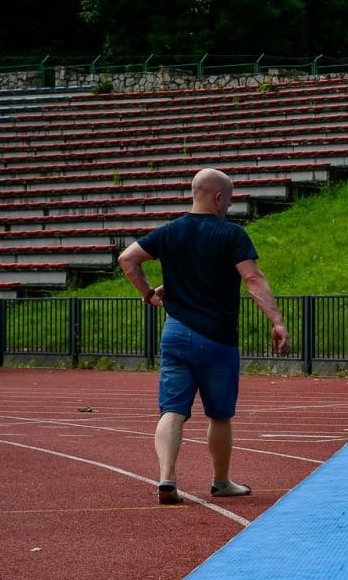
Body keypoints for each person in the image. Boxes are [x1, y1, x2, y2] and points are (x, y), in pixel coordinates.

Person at [118, 168, 290, 503]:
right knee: (219, 414)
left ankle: (167, 478)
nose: (230, 203)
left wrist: (148, 293)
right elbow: (253, 280)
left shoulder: (169, 232)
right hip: (217, 339)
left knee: (172, 409)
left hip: (176, 333)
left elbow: (128, 259)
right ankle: (221, 481)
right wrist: (277, 320)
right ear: (218, 197)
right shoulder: (231, 235)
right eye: (229, 197)